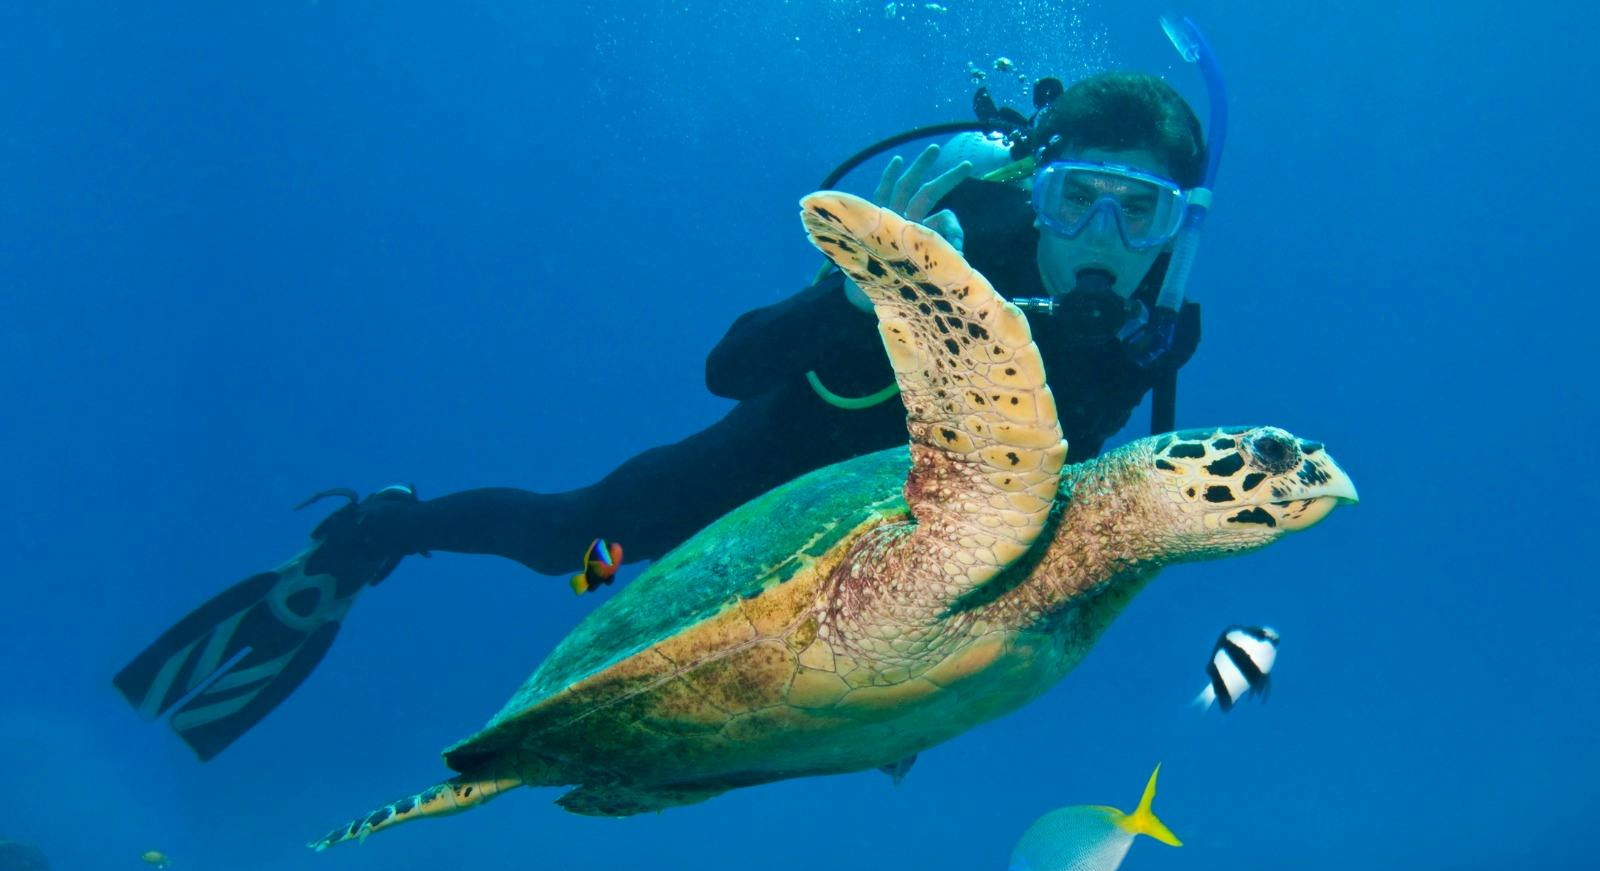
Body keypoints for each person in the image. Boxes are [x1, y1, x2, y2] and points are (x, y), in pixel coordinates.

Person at [117, 53, 1224, 760]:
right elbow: (729, 366)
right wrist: (856, 295)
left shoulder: (1156, 329)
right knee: (577, 547)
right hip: (764, 471)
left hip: (891, 555)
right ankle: (378, 532)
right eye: (1078, 197)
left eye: (1142, 212)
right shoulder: (949, 249)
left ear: (1180, 225)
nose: (1103, 239)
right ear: (1038, 189)